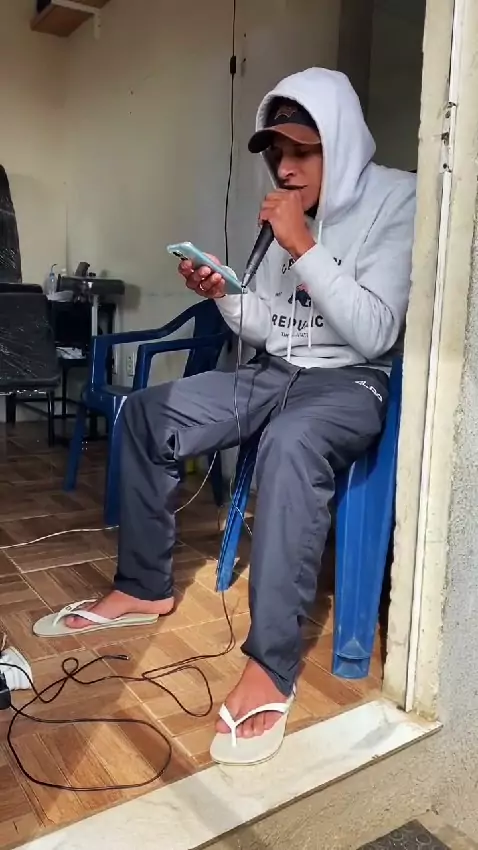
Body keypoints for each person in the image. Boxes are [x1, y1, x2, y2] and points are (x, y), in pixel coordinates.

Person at [33, 68, 416, 766]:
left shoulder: (398, 198)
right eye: (278, 154)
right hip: (273, 372)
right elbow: (266, 326)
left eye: (303, 151)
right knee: (147, 413)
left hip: (350, 381)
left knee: (291, 443)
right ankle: (144, 589)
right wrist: (224, 294)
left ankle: (271, 662)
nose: (287, 168)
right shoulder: (283, 212)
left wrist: (304, 245)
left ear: (341, 144)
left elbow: (375, 332)